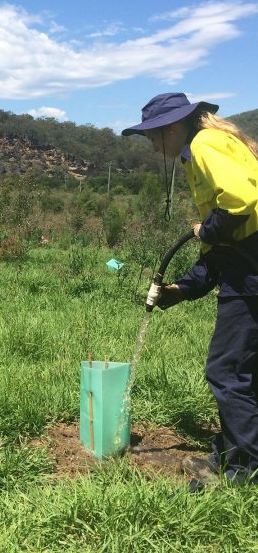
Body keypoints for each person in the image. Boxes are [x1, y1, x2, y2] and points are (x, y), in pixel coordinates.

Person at [123, 92, 258, 486]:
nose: (152, 144)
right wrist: (181, 288)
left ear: (173, 126)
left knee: (227, 370)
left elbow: (241, 204)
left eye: (153, 136)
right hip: (246, 268)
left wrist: (208, 229)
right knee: (247, 370)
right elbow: (223, 250)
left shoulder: (205, 144)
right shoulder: (218, 144)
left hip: (251, 276)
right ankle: (238, 453)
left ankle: (242, 473)